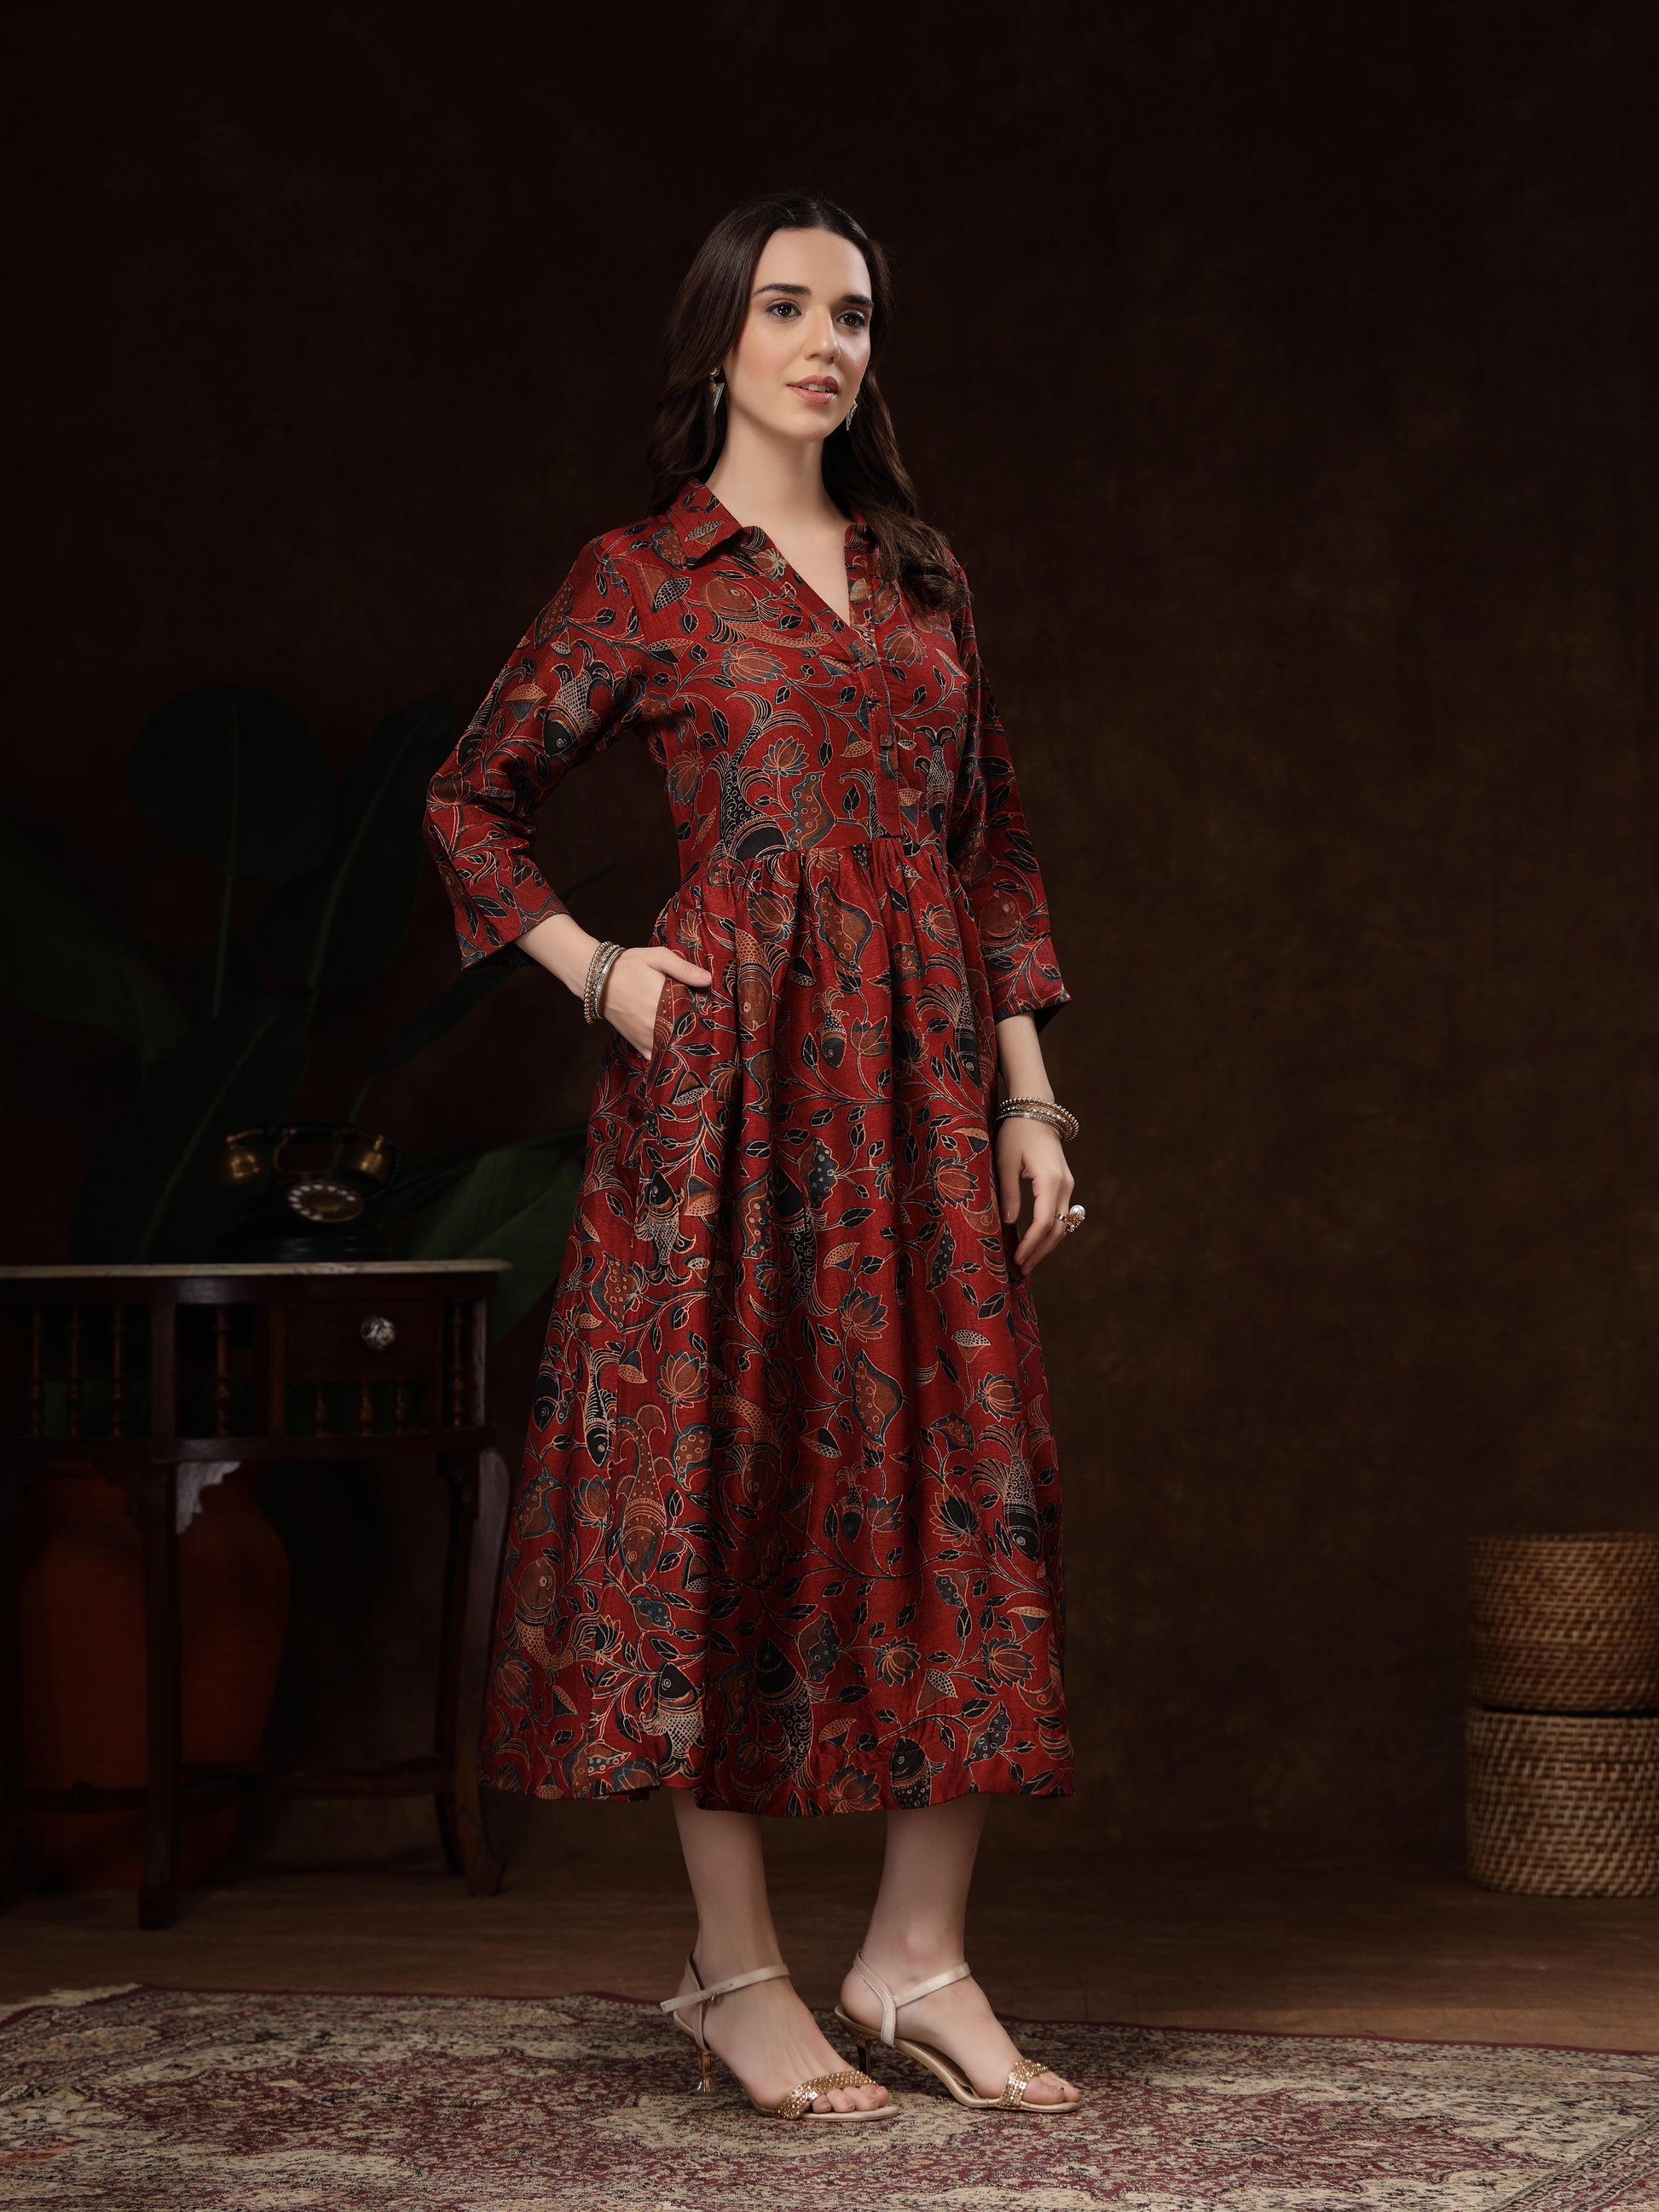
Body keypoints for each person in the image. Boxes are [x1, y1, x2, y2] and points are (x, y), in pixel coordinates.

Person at [425, 191, 1085, 2122]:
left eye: (852, 315)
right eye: (787, 308)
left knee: (965, 1492)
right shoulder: (643, 575)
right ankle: (732, 1970)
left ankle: (918, 1955)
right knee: (715, 1493)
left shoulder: (922, 576)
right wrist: (598, 970)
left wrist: (1030, 1096)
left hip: (926, 1093)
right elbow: (470, 802)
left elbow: (992, 850)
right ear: (719, 339)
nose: (824, 344)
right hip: (722, 1101)